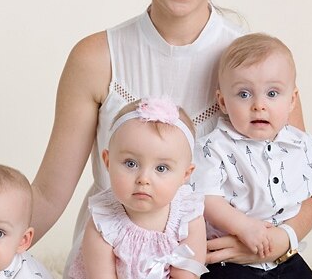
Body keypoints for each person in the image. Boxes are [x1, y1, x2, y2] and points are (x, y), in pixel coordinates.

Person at [30, 0, 312, 277]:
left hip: (218, 262)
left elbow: (305, 185)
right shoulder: (96, 57)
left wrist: (280, 239)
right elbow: (47, 194)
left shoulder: (255, 65)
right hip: (113, 261)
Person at [191, 33, 312, 278]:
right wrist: (244, 227)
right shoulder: (214, 147)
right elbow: (207, 199)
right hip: (229, 259)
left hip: (282, 255)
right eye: (244, 94)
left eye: (272, 94)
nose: (259, 105)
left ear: (291, 101)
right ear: (223, 102)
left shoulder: (297, 143)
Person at [67, 97, 208, 279]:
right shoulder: (103, 224)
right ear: (108, 162)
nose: (143, 179)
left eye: (161, 168)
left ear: (185, 175)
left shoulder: (188, 215)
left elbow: (187, 274)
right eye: (131, 163)